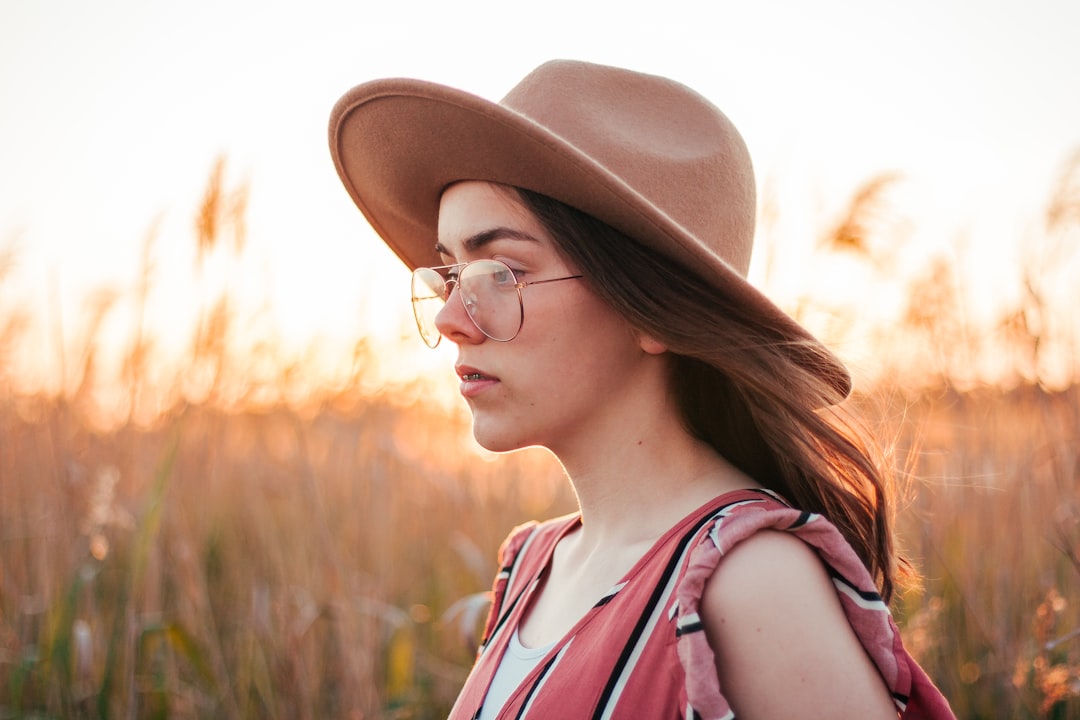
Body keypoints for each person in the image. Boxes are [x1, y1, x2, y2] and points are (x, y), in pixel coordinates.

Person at [329, 60, 954, 719]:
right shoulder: (533, 567)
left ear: (647, 309)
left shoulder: (749, 582)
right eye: (451, 274)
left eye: (503, 272)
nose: (452, 318)